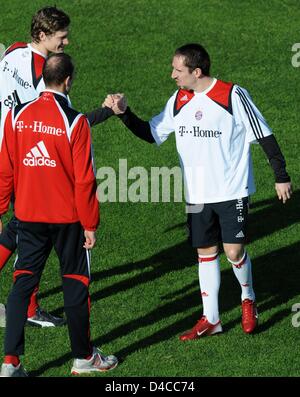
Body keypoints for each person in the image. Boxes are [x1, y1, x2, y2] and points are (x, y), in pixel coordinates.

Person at [104, 43, 292, 339]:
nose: (172, 75)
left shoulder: (232, 95)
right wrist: (124, 114)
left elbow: (264, 134)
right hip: (196, 194)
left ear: (197, 71)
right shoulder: (178, 99)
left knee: (233, 251)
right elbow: (152, 134)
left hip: (232, 190)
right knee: (205, 253)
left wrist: (281, 176)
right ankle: (212, 318)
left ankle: (248, 298)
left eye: (178, 70)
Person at [0, 53, 118, 377]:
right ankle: (83, 358)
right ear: (68, 81)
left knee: (22, 284)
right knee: (76, 284)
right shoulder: (75, 121)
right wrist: (90, 224)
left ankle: (10, 363)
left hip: (27, 217)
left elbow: (5, 169)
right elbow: (85, 179)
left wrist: (0, 209)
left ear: (43, 79)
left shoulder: (16, 115)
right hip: (68, 221)